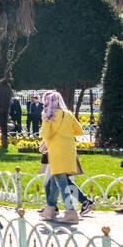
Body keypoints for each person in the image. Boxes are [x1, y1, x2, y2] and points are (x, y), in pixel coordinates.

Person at [39, 90, 85, 224]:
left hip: (56, 152)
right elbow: (79, 130)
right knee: (54, 181)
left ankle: (71, 212)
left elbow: (45, 134)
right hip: (69, 151)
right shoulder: (68, 114)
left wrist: (47, 126)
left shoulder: (48, 116)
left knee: (62, 183)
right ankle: (50, 209)